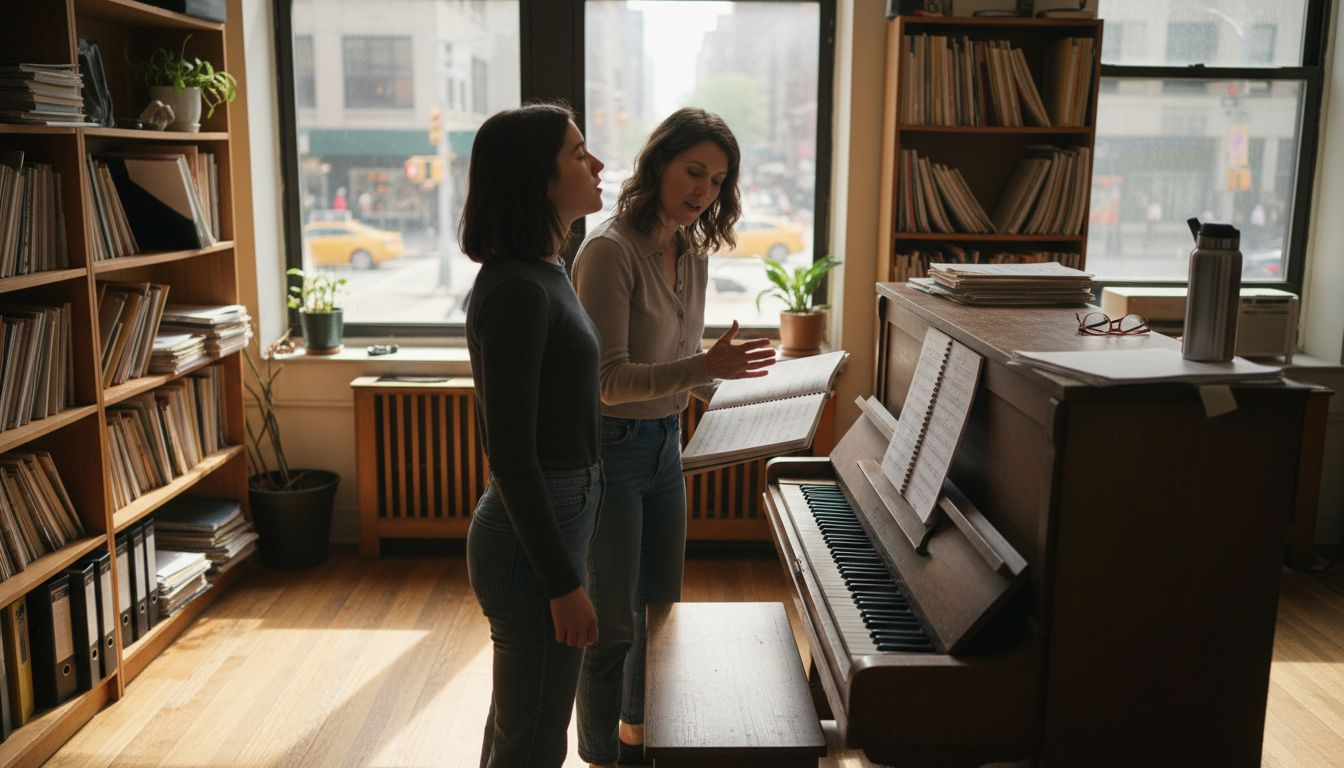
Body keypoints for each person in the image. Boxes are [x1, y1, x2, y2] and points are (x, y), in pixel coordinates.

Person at [571, 107, 776, 768]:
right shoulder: (609, 250)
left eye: (717, 181)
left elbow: (689, 369)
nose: (703, 191)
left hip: (665, 444)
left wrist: (770, 401)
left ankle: (642, 742)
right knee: (611, 625)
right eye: (693, 172)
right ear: (658, 163)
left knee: (662, 615)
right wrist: (707, 370)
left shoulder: (689, 248)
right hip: (613, 447)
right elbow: (608, 382)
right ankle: (602, 755)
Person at [461, 102, 606, 768]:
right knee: (535, 740)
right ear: (540, 180)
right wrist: (561, 584)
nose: (596, 164)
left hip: (552, 517)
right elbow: (510, 454)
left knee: (523, 725)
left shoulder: (545, 272)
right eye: (578, 154)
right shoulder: (519, 288)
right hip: (531, 537)